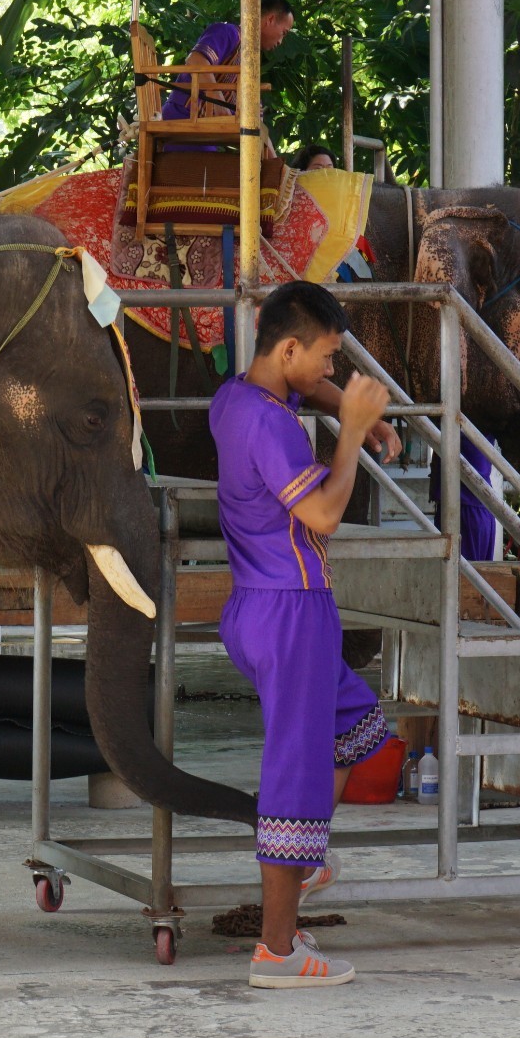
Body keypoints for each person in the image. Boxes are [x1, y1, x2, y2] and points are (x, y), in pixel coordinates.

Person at [209, 282, 401, 989]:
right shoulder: (273, 428)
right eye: (326, 358)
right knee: (295, 776)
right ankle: (277, 952)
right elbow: (321, 515)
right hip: (289, 612)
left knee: (356, 728)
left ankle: (304, 862)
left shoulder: (237, 399)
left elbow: (293, 392)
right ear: (288, 348)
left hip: (265, 608)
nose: (333, 374)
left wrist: (347, 414)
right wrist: (352, 433)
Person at [162, 0, 294, 156]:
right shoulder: (229, 32)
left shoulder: (248, 63)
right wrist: (220, 104)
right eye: (284, 33)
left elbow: (256, 124)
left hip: (204, 133)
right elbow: (196, 60)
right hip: (184, 119)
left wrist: (278, 168)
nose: (281, 41)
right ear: (270, 19)